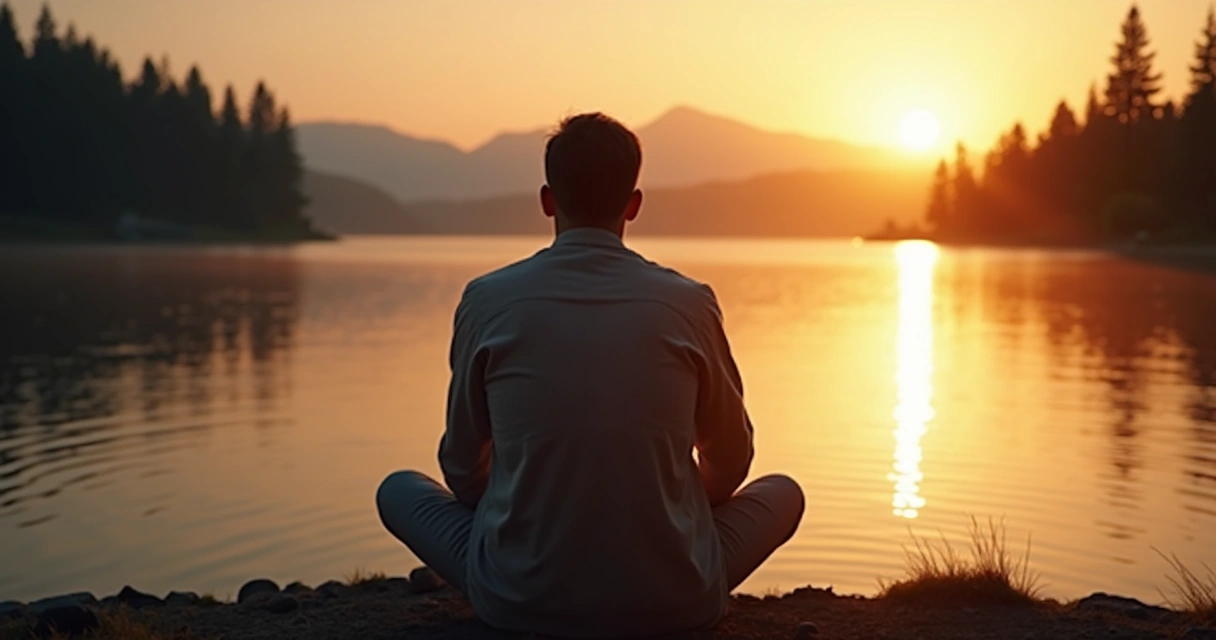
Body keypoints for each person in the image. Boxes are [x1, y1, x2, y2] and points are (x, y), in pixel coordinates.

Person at [376, 112, 804, 638]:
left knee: (398, 490)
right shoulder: (689, 304)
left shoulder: (487, 300)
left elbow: (462, 470)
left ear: (548, 200)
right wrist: (674, 507)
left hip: (518, 603)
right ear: (634, 204)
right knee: (784, 492)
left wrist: (530, 501)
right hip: (678, 605)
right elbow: (731, 461)